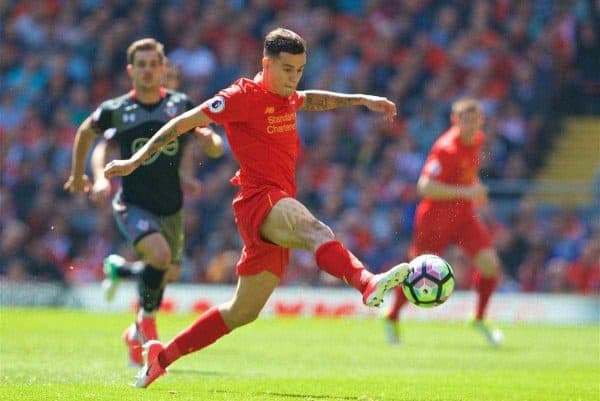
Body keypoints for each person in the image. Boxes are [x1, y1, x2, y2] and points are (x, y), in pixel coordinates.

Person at [103, 28, 411, 388]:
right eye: (287, 69)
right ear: (266, 64)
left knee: (241, 312)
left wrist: (361, 99)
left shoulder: (288, 95)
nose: (293, 78)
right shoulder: (240, 96)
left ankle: (161, 356)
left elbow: (311, 99)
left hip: (274, 203)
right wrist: (133, 161)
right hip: (258, 198)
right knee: (315, 230)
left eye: (299, 70)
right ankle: (367, 282)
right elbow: (182, 123)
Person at [64, 38, 223, 367]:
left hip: (172, 208)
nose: (148, 71)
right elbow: (86, 134)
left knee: (167, 271)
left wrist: (210, 142)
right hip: (133, 203)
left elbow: (210, 145)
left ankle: (123, 281)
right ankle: (147, 325)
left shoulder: (180, 104)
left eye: (154, 64)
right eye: (142, 65)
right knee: (161, 257)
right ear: (131, 70)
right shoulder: (117, 110)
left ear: (163, 69)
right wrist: (86, 176)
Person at [383, 98, 504, 346]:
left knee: (490, 265)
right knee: (417, 272)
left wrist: (475, 190)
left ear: (481, 120)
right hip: (435, 220)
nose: (471, 125)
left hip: (463, 217)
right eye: (466, 120)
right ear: (455, 121)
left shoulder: (478, 141)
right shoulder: (446, 148)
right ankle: (392, 316)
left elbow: (466, 178)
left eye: (475, 119)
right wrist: (466, 192)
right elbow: (425, 187)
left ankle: (479, 318)